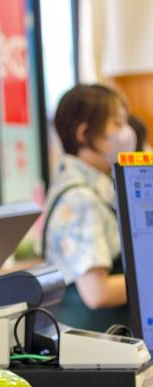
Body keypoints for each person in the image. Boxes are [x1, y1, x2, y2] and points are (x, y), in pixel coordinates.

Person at [42, 84, 137, 332]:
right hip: (96, 344)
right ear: (84, 134)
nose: (126, 133)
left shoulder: (90, 187)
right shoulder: (80, 198)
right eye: (116, 124)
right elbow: (97, 292)